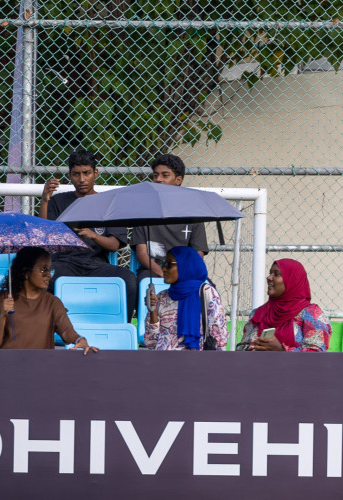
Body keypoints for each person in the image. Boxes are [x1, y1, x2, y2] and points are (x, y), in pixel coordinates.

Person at [38, 149, 139, 318]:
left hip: (96, 264)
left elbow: (114, 245)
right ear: (70, 175)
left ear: (95, 173)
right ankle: (44, 326)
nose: (82, 179)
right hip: (64, 262)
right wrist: (44, 200)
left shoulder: (109, 203)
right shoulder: (58, 201)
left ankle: (122, 326)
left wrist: (93, 236)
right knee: (41, 276)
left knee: (128, 278)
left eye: (86, 173)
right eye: (76, 174)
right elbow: (44, 236)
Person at [0, 247, 98, 352]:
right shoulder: (5, 299)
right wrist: (2, 315)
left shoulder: (53, 302)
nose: (48, 275)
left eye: (50, 270)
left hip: (41, 366)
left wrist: (79, 339)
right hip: (9, 366)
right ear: (26, 272)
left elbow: (66, 331)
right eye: (43, 270)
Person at [130, 153, 211, 282]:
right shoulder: (144, 212)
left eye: (165, 175)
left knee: (208, 288)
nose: (158, 179)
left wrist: (181, 271)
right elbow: (141, 253)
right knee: (141, 284)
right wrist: (162, 272)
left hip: (184, 270)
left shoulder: (193, 214)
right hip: (152, 271)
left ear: (178, 180)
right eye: (155, 175)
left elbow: (198, 253)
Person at [144, 245, 227, 351]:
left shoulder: (205, 292)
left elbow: (220, 337)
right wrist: (153, 313)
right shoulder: (161, 297)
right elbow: (151, 343)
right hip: (164, 362)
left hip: (197, 362)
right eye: (163, 263)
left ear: (186, 265)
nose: (163, 268)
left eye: (169, 264)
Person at [239, 258, 332, 352]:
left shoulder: (311, 313)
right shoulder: (258, 313)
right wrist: (252, 349)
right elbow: (240, 349)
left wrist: (281, 350)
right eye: (270, 273)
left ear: (292, 280)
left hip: (293, 367)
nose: (269, 277)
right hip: (257, 366)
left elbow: (317, 354)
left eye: (276, 274)